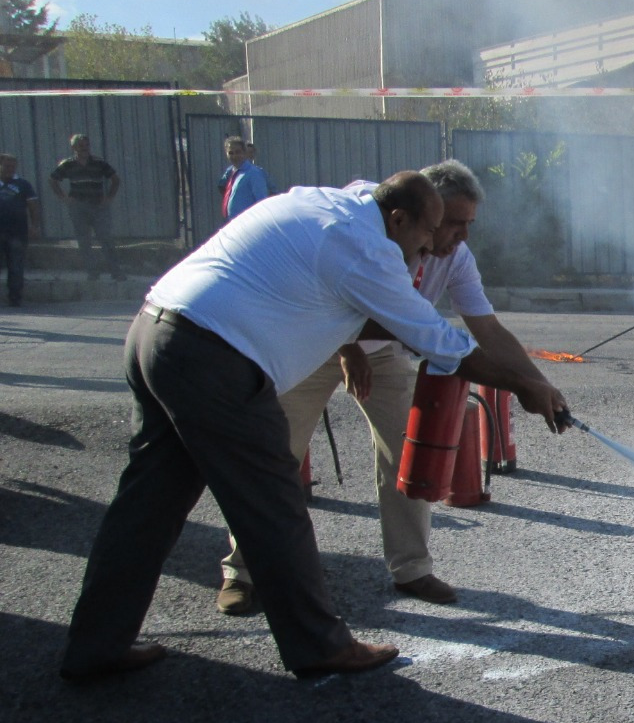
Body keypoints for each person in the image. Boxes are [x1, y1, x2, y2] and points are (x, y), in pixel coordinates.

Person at [59, 172, 569, 682]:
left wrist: (529, 377)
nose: (431, 244)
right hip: (214, 355)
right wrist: (520, 386)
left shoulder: (329, 205)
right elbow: (438, 340)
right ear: (399, 218)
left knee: (147, 506)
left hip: (156, 328)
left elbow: (361, 310)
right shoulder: (369, 248)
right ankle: (318, 644)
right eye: (427, 231)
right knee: (274, 504)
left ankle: (96, 645)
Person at [215, 160, 552, 613]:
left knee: (406, 451)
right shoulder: (371, 218)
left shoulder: (456, 257)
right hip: (319, 343)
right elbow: (330, 286)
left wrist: (539, 383)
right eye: (452, 223)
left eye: (468, 224)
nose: (460, 236)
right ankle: (241, 571)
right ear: (420, 213)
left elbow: (486, 329)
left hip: (387, 351)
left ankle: (412, 567)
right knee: (276, 453)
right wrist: (347, 348)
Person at [48, 134, 123, 281]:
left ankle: (116, 272)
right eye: (80, 145)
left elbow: (115, 179)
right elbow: (52, 180)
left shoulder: (99, 162)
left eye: (86, 145)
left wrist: (109, 198)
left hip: (98, 206)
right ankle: (92, 273)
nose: (84, 148)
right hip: (78, 207)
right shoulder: (67, 164)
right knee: (84, 241)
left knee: (105, 238)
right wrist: (63, 198)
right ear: (74, 147)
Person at [0, 153, 43, 307]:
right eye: (6, 166)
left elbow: (33, 206)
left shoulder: (23, 184)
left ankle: (15, 297)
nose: (10, 169)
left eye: (13, 166)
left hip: (17, 233)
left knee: (16, 266)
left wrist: (35, 225)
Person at [217, 135, 273, 222]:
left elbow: (262, 201)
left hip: (248, 224)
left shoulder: (253, 173)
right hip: (233, 223)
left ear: (244, 153)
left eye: (238, 152)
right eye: (231, 153)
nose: (234, 156)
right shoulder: (233, 172)